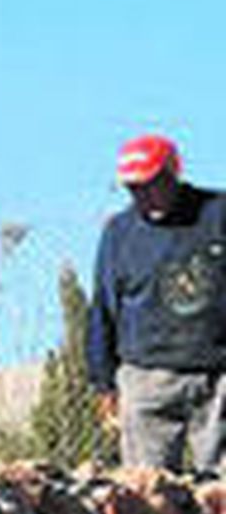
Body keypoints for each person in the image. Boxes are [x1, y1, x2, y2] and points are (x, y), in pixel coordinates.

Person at [88, 134, 226, 473]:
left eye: (152, 184)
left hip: (219, 376)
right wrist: (103, 382)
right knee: (147, 489)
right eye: (134, 189)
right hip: (147, 378)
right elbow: (102, 310)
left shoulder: (218, 213)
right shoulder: (119, 234)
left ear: (173, 174)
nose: (144, 196)